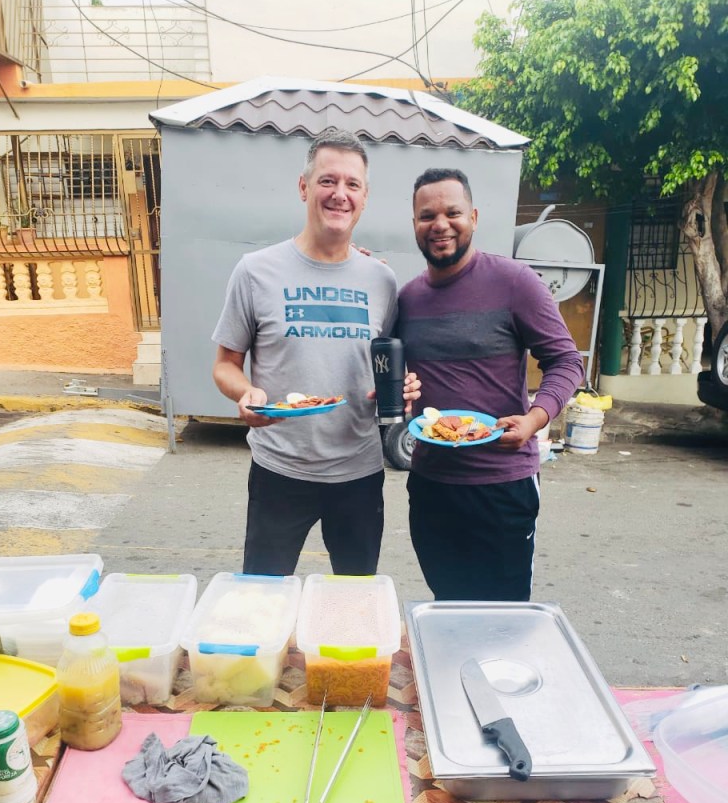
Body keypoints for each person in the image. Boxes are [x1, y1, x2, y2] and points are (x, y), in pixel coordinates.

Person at [212, 128, 420, 577]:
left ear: (364, 197)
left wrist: (402, 389)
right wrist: (246, 393)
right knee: (264, 596)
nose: (339, 194)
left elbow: (387, 365)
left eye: (352, 184)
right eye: (328, 180)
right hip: (278, 470)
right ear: (304, 187)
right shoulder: (255, 271)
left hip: (359, 474)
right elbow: (225, 365)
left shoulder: (381, 280)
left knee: (355, 599)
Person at [396, 167, 585, 602]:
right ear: (415, 224)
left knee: (504, 614)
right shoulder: (408, 298)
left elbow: (565, 360)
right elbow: (394, 374)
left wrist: (535, 419)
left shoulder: (515, 282)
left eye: (452, 213)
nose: (440, 225)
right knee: (447, 604)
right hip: (431, 484)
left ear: (474, 218)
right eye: (427, 216)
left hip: (502, 485)